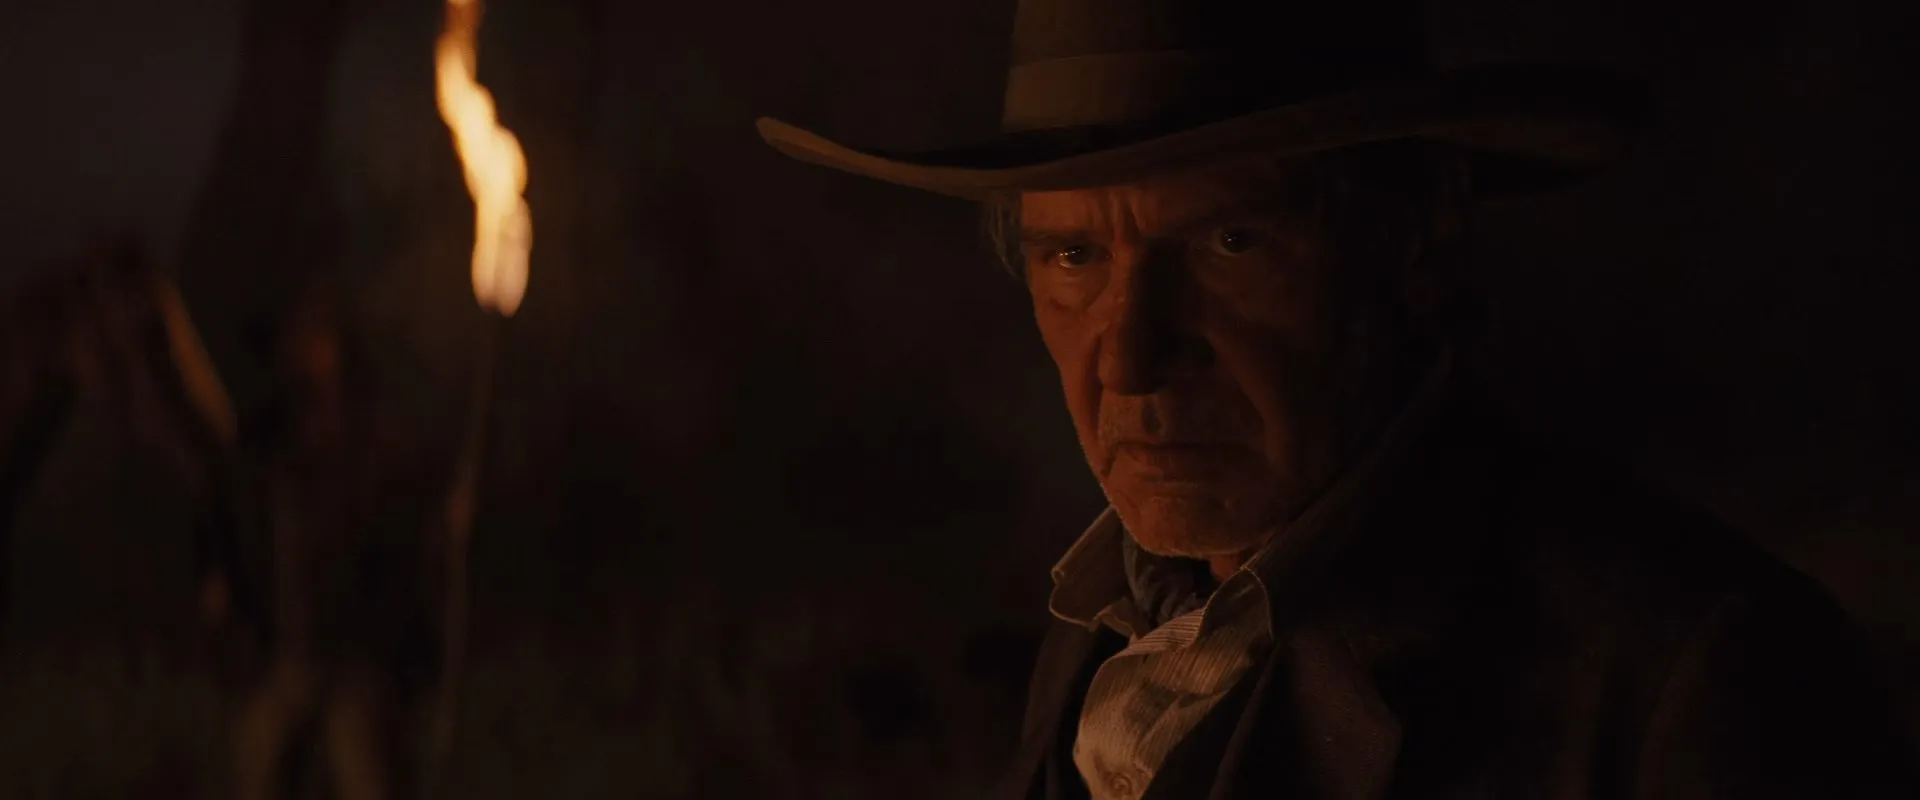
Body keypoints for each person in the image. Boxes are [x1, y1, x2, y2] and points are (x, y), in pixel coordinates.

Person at [754, 0, 1920, 796]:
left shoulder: (1697, 683)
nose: (1132, 358)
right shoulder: (1097, 633)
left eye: (1227, 240)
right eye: (1073, 258)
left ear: (1419, 237)